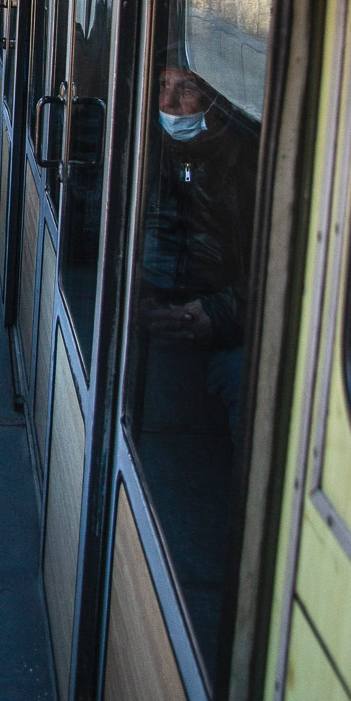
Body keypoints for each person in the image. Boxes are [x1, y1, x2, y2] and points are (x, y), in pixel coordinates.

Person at [139, 64, 255, 435]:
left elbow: (276, 269)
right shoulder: (139, 146)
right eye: (163, 85)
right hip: (146, 313)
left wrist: (217, 313)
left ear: (218, 100)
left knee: (243, 381)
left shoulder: (249, 163)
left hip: (226, 324)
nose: (168, 103)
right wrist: (133, 300)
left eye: (187, 90)